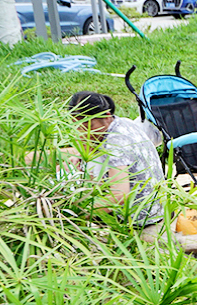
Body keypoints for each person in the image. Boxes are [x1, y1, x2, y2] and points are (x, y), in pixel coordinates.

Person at [65, 91, 166, 236]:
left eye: (88, 125)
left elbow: (119, 195)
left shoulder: (116, 144)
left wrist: (78, 212)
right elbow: (89, 145)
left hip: (138, 217)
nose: (83, 132)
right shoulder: (121, 122)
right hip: (156, 208)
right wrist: (80, 153)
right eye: (78, 125)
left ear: (105, 116)